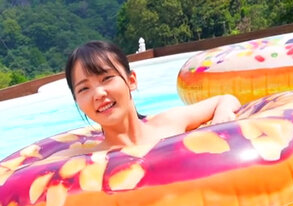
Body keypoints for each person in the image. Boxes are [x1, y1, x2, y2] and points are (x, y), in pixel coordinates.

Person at [64, 40, 241, 153]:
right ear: (77, 101)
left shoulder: (169, 123)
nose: (98, 94)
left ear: (131, 80)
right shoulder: (88, 159)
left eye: (107, 78)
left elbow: (225, 99)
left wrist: (221, 120)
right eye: (84, 88)